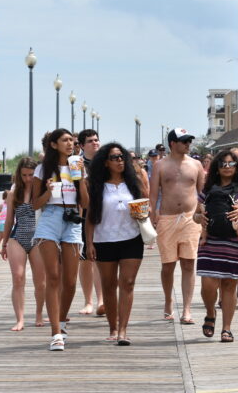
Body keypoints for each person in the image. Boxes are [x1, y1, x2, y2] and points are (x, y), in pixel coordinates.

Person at [195, 151, 238, 342]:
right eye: (223, 164)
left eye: (231, 164)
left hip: (236, 242)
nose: (227, 167)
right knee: (208, 285)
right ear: (216, 167)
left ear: (236, 167)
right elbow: (194, 214)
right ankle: (210, 313)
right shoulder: (208, 188)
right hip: (211, 241)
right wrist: (199, 217)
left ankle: (226, 328)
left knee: (229, 285)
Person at [84, 143, 145, 345]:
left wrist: (144, 211)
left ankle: (123, 330)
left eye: (122, 157)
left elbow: (146, 206)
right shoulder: (96, 185)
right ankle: (112, 326)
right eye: (114, 157)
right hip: (104, 240)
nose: (120, 160)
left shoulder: (134, 182)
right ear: (105, 162)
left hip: (131, 238)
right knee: (109, 286)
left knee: (127, 283)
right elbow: (90, 216)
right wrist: (89, 243)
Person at [32, 128, 86, 351]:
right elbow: (35, 204)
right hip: (50, 218)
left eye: (72, 141)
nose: (70, 144)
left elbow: (87, 202)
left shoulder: (78, 166)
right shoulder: (42, 169)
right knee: (53, 277)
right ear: (54, 144)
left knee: (71, 282)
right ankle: (55, 333)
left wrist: (81, 178)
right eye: (65, 140)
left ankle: (61, 320)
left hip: (72, 219)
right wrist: (47, 191)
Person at [149, 128, 204, 325]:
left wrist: (202, 218)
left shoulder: (196, 164)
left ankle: (187, 309)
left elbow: (202, 194)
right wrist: (151, 217)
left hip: (191, 218)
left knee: (189, 263)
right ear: (173, 143)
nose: (187, 144)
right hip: (167, 218)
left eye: (189, 141)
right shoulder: (160, 165)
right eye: (183, 141)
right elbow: (153, 194)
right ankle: (168, 300)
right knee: (168, 265)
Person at [0, 158, 46, 331]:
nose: (28, 178)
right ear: (19, 175)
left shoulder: (42, 191)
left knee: (40, 281)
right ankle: (19, 319)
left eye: (31, 175)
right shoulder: (14, 193)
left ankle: (39, 314)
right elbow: (10, 220)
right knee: (18, 278)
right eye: (24, 175)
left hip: (39, 237)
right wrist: (4, 243)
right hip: (17, 237)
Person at [77, 128, 104, 317]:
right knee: (85, 260)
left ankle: (102, 300)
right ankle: (88, 301)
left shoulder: (107, 161)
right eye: (90, 141)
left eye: (96, 140)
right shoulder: (77, 164)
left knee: (101, 260)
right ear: (81, 145)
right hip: (84, 214)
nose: (95, 143)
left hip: (105, 214)